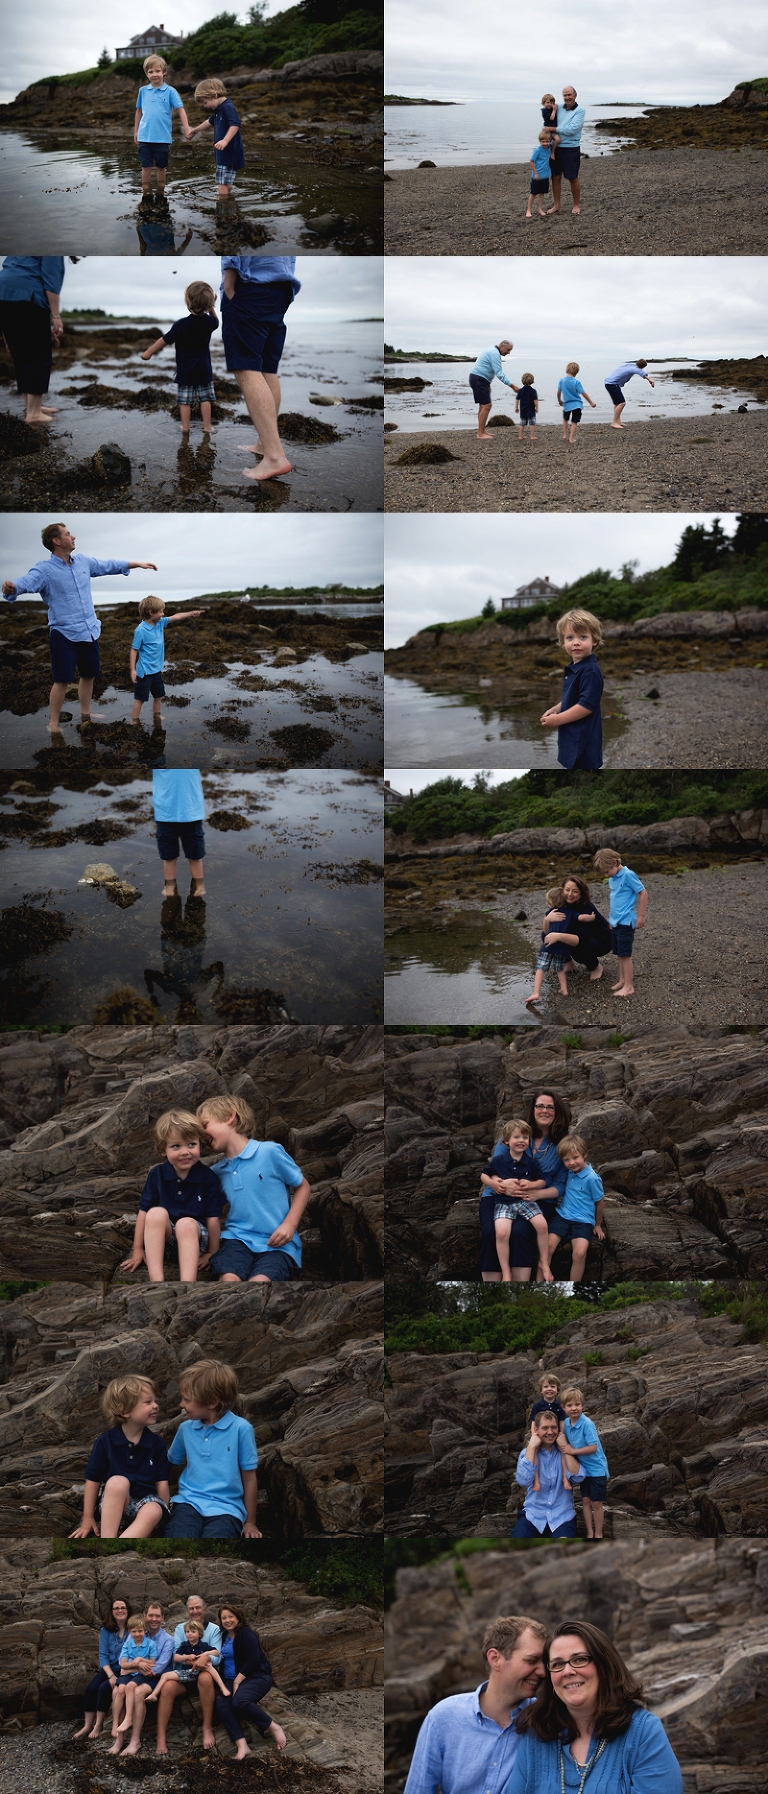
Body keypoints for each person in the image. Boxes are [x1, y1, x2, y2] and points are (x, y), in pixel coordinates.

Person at [2, 523, 157, 735]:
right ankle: (54, 723)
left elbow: (107, 565)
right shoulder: (44, 570)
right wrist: (14, 588)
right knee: (62, 680)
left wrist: (136, 564)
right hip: (63, 633)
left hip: (89, 630)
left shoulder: (83, 562)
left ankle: (86, 715)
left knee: (88, 675)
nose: (73, 537)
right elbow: (27, 581)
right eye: (67, 534)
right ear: (56, 541)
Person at [506, 1619, 684, 1792]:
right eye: (558, 1664)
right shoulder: (535, 1735)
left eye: (579, 1659)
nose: (568, 1671)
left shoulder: (643, 1731)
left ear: (603, 1666)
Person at [403, 1615, 548, 1794]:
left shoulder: (546, 1721)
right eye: (531, 1660)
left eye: (545, 1662)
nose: (543, 1671)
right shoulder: (443, 1718)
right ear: (495, 1658)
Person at [197, 1093, 311, 1283]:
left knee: (260, 1282)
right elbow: (210, 1213)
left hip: (277, 1245)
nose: (202, 1135)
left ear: (230, 1117)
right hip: (236, 1242)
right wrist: (212, 1252)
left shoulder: (269, 1152)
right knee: (228, 1279)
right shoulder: (216, 1173)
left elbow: (303, 1186)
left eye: (205, 1125)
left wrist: (290, 1225)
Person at [120, 1108, 225, 1283]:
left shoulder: (208, 1177)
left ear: (199, 1144)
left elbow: (213, 1218)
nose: (185, 1151)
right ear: (163, 1150)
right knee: (155, 1213)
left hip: (195, 1240)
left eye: (191, 1144)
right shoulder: (157, 1174)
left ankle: (187, 1284)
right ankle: (157, 1282)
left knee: (186, 1224)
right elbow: (143, 1212)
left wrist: (212, 1253)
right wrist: (137, 1249)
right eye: (176, 1146)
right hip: (166, 1242)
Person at [220, 257, 301, 482]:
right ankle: (264, 444)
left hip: (248, 287)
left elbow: (234, 236)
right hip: (281, 289)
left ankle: (274, 456)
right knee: (267, 370)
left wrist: (229, 283)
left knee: (246, 368)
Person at [164, 1357, 261, 1540]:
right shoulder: (186, 1429)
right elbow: (168, 1466)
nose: (181, 1405)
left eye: (187, 1400)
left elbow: (249, 1479)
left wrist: (250, 1521)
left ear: (211, 1402)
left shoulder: (241, 1429)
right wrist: (161, 1500)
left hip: (227, 1508)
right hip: (188, 1503)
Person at [70, 1375, 171, 1540]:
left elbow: (162, 1483)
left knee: (154, 1509)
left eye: (155, 1401)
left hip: (145, 1501)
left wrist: (163, 1515)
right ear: (123, 1410)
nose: (155, 1406)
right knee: (118, 1482)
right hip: (115, 1504)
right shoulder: (106, 1441)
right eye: (147, 1402)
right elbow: (93, 1480)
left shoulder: (156, 1444)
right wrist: (87, 1517)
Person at [506, 1091, 572, 1284]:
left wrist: (538, 1194)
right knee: (501, 1229)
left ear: (557, 1111)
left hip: (543, 1200)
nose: (545, 1111)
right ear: (533, 1109)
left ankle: (521, 1281)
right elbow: (498, 1163)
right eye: (540, 1106)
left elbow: (560, 1186)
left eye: (550, 1107)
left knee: (519, 1230)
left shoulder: (562, 1143)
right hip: (513, 1195)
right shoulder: (518, 1132)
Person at [140, 281, 220, 435]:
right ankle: (207, 427)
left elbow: (165, 339)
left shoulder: (181, 325)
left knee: (185, 401)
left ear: (188, 303)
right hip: (204, 370)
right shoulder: (209, 323)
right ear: (209, 304)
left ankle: (185, 427)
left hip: (185, 371)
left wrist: (149, 351)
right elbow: (216, 321)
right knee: (205, 399)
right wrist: (211, 307)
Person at [480, 1119, 551, 1284]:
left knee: (542, 1225)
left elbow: (542, 1181)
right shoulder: (498, 1161)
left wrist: (532, 1184)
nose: (521, 1140)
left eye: (525, 1137)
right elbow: (483, 1175)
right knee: (501, 1233)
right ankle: (506, 1272)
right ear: (506, 1142)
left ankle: (545, 1263)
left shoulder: (530, 1162)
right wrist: (493, 1184)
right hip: (504, 1202)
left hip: (524, 1201)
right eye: (516, 1137)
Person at [213, 1603, 288, 1759]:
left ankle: (273, 1727)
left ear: (238, 1617)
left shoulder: (246, 1634)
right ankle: (242, 1745)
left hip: (256, 1676)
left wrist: (237, 1682)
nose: (227, 1620)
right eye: (224, 1618)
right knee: (222, 1703)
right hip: (230, 1679)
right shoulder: (223, 1636)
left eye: (230, 1617)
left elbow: (253, 1660)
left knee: (239, 1702)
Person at [153, 1596, 222, 1755]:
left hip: (206, 1673)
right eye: (191, 1608)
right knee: (168, 1687)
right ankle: (161, 1737)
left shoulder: (214, 1629)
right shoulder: (180, 1629)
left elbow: (217, 1657)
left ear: (204, 1608)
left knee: (205, 1677)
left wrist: (206, 1658)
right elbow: (175, 1655)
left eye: (198, 1607)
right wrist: (198, 1660)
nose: (195, 1611)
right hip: (185, 1672)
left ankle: (206, 1728)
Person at [0, 256, 65, 423]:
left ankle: (32, 406)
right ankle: (34, 413)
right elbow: (51, 281)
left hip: (3, 291)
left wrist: (8, 338)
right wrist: (56, 315)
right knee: (39, 355)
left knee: (21, 354)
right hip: (28, 295)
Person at [540, 607, 604, 769]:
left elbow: (586, 706)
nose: (576, 642)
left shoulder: (590, 671)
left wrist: (558, 720)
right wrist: (556, 709)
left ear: (594, 640)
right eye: (570, 638)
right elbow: (574, 698)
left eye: (583, 637)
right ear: (563, 643)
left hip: (584, 739)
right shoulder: (576, 667)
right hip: (573, 734)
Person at [110, 1601, 174, 1758]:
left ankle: (135, 1741)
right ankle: (119, 1739)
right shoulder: (137, 1633)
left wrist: (132, 1667)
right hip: (136, 1674)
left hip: (156, 1678)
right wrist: (135, 1667)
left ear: (162, 1618)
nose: (153, 1619)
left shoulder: (167, 1640)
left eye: (157, 1616)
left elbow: (158, 1668)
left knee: (138, 1692)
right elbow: (121, 1662)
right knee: (118, 1690)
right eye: (150, 1615)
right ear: (145, 1616)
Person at [129, 594, 203, 726]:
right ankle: (134, 720)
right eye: (161, 611)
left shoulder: (160, 623)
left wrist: (191, 613)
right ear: (151, 612)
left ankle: (156, 716)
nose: (163, 614)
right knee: (140, 698)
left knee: (158, 696)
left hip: (156, 670)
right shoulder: (141, 630)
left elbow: (176, 616)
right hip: (144, 672)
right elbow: (134, 650)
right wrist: (132, 670)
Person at [511, 1410, 585, 1538]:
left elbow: (579, 1477)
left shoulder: (568, 1451)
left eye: (553, 1427)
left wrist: (565, 1448)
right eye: (545, 1428)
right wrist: (532, 1448)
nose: (550, 1432)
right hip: (532, 1517)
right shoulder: (526, 1453)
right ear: (536, 1429)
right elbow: (524, 1481)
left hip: (562, 1518)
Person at [547, 1135, 605, 1283]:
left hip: (583, 1221)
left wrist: (597, 1225)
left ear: (584, 1154)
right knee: (547, 1246)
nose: (572, 1163)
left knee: (579, 1253)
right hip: (563, 1216)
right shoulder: (568, 1172)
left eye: (575, 1157)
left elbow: (600, 1202)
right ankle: (542, 1279)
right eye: (567, 1160)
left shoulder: (592, 1178)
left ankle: (574, 1286)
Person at [134, 55, 191, 202]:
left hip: (162, 137)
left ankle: (160, 193)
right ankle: (146, 193)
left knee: (161, 167)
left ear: (164, 72)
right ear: (146, 74)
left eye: (157, 71)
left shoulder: (170, 91)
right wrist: (135, 131)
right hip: (144, 136)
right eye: (150, 72)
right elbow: (139, 111)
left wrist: (186, 129)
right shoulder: (143, 91)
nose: (154, 74)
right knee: (145, 167)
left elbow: (181, 110)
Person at [592, 847, 648, 998]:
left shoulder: (628, 875)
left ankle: (629, 986)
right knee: (618, 953)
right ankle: (622, 980)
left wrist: (641, 915)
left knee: (625, 954)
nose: (605, 875)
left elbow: (642, 892)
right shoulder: (613, 878)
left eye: (606, 871)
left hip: (626, 921)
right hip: (616, 922)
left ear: (615, 862)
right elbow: (616, 901)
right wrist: (611, 920)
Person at [72, 1596, 129, 1741]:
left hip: (125, 1669)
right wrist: (110, 1675)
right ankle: (87, 1725)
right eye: (116, 1608)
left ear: (128, 1610)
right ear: (111, 1612)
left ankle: (98, 1725)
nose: (120, 1610)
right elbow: (103, 1656)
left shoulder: (133, 1629)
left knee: (104, 1689)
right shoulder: (106, 1630)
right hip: (109, 1668)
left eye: (123, 1607)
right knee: (91, 1688)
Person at [559, 1387, 610, 1539]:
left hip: (596, 1470)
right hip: (583, 1470)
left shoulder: (587, 1424)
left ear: (582, 1405)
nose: (574, 1408)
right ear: (564, 1408)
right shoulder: (566, 1424)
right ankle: (589, 1533)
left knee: (596, 1503)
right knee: (586, 1501)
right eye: (569, 1405)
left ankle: (599, 1533)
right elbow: (561, 1438)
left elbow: (593, 1447)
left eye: (577, 1404)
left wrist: (571, 1451)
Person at [525, 886, 588, 1007]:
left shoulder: (550, 912)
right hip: (562, 948)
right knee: (559, 969)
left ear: (552, 903)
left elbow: (546, 931)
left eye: (548, 902)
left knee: (540, 968)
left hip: (548, 946)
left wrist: (547, 919)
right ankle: (564, 989)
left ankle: (536, 992)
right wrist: (590, 917)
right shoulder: (571, 913)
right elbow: (580, 917)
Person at [144, 1618, 231, 1706]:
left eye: (193, 1632)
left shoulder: (203, 1645)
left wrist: (205, 1654)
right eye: (187, 1631)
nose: (189, 1634)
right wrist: (187, 1656)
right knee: (165, 1675)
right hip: (188, 1673)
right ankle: (154, 1694)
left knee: (208, 1665)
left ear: (199, 1634)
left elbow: (216, 1652)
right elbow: (176, 1658)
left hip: (201, 1671)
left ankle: (223, 1688)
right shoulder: (184, 1646)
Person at [187, 78, 245, 202]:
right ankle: (228, 199)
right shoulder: (219, 109)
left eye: (205, 102)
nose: (206, 106)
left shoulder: (227, 107)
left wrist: (225, 140)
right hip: (225, 152)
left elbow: (235, 124)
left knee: (221, 181)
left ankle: (223, 202)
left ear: (215, 95)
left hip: (229, 151)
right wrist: (195, 130)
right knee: (226, 181)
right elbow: (209, 121)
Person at [152, 767, 207, 899]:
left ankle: (199, 884)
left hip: (192, 812)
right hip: (164, 813)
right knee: (169, 856)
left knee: (195, 855)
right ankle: (170, 885)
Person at [546, 876, 611, 982]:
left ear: (581, 894)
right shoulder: (562, 904)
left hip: (602, 940)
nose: (570, 894)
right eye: (567, 890)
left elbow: (582, 939)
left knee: (577, 948)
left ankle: (596, 967)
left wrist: (559, 936)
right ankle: (568, 964)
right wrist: (547, 920)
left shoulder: (586, 908)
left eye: (575, 891)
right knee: (549, 938)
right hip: (581, 937)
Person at [109, 1615, 158, 1749]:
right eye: (134, 1631)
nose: (137, 1634)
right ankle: (114, 1724)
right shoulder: (127, 1644)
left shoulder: (151, 1644)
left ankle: (128, 1718)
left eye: (140, 1631)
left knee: (130, 1686)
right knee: (119, 1690)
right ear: (129, 1632)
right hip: (130, 1672)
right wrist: (137, 1663)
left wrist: (138, 1662)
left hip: (142, 1675)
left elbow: (153, 1662)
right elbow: (123, 1664)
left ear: (145, 1631)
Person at [547, 86, 585, 215]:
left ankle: (576, 205)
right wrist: (551, 130)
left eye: (569, 94)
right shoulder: (558, 108)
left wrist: (554, 129)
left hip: (571, 149)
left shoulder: (580, 111)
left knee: (572, 177)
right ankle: (557, 205)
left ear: (575, 95)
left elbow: (572, 130)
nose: (567, 97)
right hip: (555, 148)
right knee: (555, 177)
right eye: (565, 95)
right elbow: (547, 123)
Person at [468, 342, 518, 438]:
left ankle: (482, 430)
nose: (509, 353)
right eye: (508, 350)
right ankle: (480, 433)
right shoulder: (494, 353)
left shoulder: (491, 351)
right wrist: (513, 386)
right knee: (486, 406)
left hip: (479, 379)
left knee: (482, 406)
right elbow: (499, 373)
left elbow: (485, 367)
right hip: (479, 380)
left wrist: (488, 384)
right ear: (502, 346)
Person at [604, 359, 655, 429]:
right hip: (613, 384)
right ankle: (614, 422)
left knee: (617, 404)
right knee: (622, 403)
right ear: (642, 367)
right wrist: (650, 380)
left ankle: (618, 421)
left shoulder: (630, 365)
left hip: (609, 383)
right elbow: (640, 371)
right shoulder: (634, 368)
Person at [555, 361, 596, 444]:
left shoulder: (562, 380)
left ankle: (565, 435)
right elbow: (583, 393)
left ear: (567, 369)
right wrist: (591, 402)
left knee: (565, 419)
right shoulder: (576, 382)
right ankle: (571, 438)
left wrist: (559, 401)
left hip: (566, 404)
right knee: (574, 421)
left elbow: (558, 392)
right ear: (577, 372)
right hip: (577, 404)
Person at [526, 131, 558, 220]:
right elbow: (531, 161)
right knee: (533, 193)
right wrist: (535, 173)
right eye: (543, 141)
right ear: (540, 141)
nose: (545, 143)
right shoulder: (538, 150)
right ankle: (528, 210)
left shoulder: (550, 148)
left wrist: (550, 132)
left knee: (542, 193)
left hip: (545, 176)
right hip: (537, 176)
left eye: (547, 141)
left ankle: (540, 209)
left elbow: (556, 140)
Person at [515, 373, 539, 438]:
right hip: (531, 410)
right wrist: (537, 407)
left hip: (523, 410)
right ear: (532, 381)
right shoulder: (533, 391)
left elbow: (517, 399)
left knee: (522, 424)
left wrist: (516, 407)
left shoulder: (520, 391)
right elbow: (535, 400)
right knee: (532, 423)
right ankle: (532, 436)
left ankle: (520, 436)